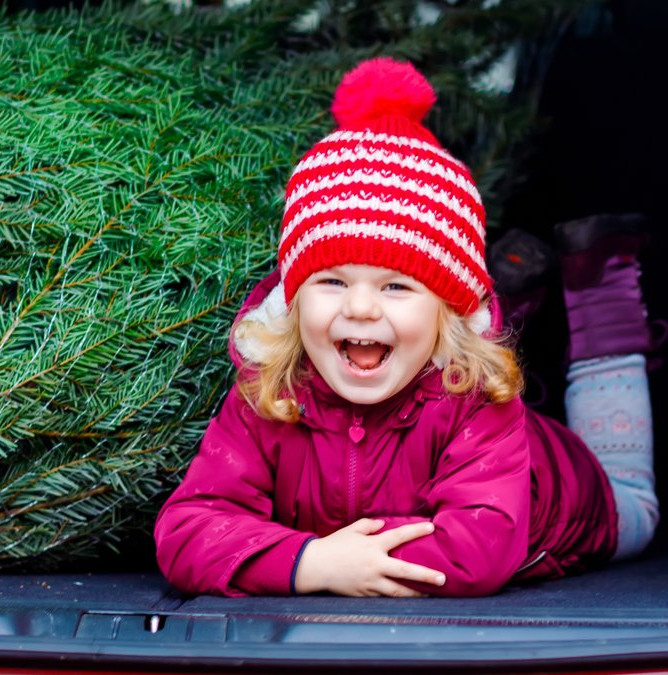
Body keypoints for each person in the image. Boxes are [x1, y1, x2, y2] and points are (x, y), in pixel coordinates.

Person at [153, 57, 659, 598]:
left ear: (448, 313)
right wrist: (313, 562)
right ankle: (505, 292)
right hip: (456, 398)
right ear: (292, 301)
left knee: (638, 504)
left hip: (575, 496)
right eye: (332, 282)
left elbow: (478, 549)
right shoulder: (271, 395)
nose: (362, 308)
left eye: (395, 286)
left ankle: (599, 286)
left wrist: (344, 556)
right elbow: (186, 530)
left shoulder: (477, 401)